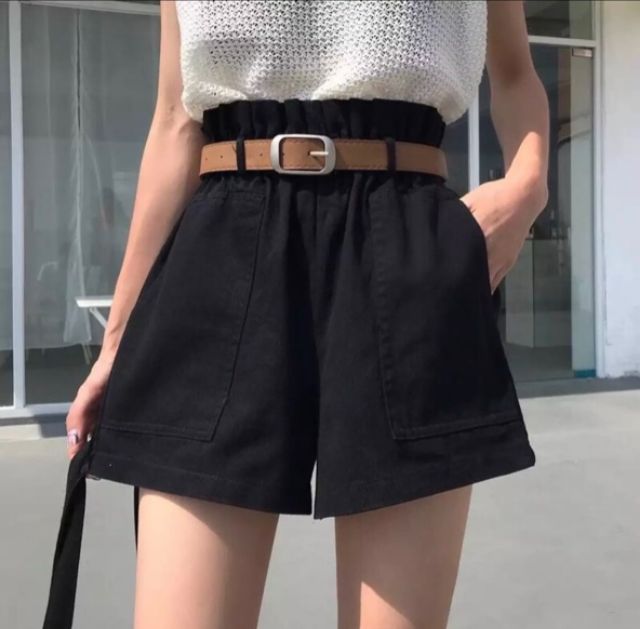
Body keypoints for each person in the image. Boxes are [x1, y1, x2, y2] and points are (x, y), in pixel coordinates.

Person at [42, 1, 549, 628]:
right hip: (222, 244)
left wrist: (527, 187)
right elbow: (174, 120)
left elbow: (516, 74)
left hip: (403, 239)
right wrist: (116, 344)